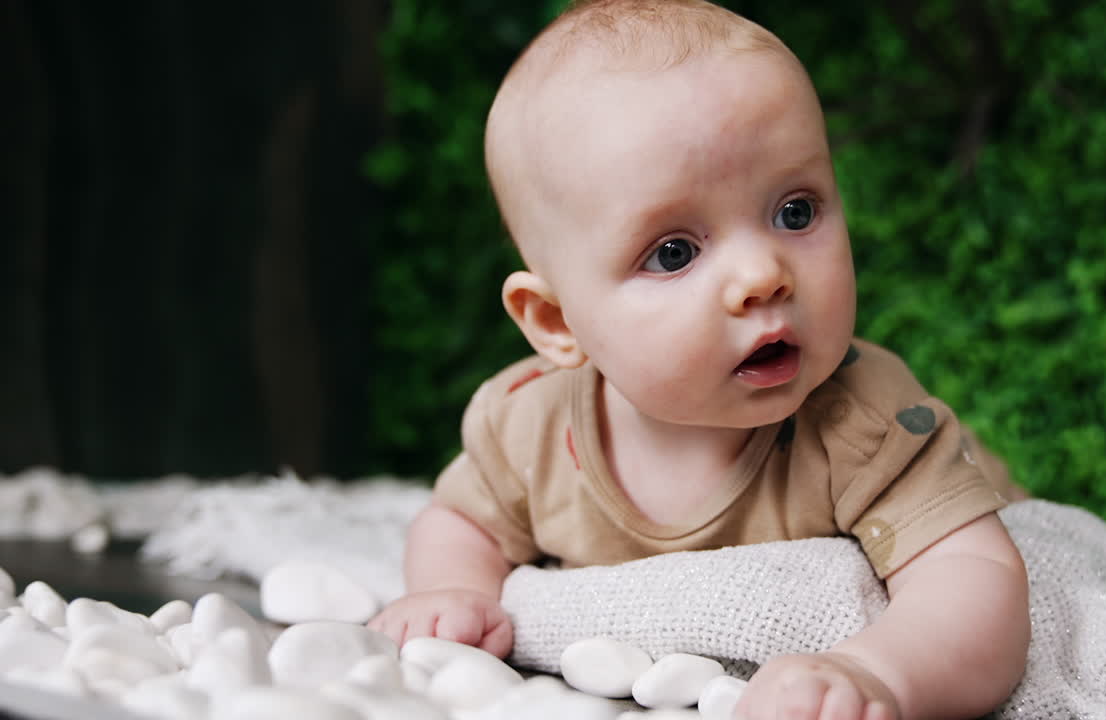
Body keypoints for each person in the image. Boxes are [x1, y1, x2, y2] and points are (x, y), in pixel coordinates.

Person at [369, 1, 1031, 717]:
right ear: (558, 322)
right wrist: (452, 592)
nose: (763, 274)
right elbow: (461, 521)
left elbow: (972, 577)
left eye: (795, 212)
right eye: (674, 252)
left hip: (957, 488)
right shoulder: (528, 427)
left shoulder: (863, 423)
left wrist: (880, 674)